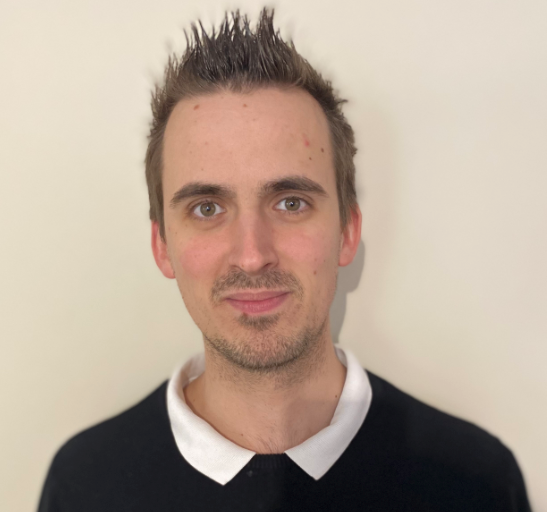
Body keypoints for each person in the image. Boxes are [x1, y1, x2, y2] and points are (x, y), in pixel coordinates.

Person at [38, 9, 531, 511]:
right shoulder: (83, 486)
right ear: (162, 245)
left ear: (347, 231)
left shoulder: (477, 484)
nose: (252, 256)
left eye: (290, 203)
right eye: (207, 208)